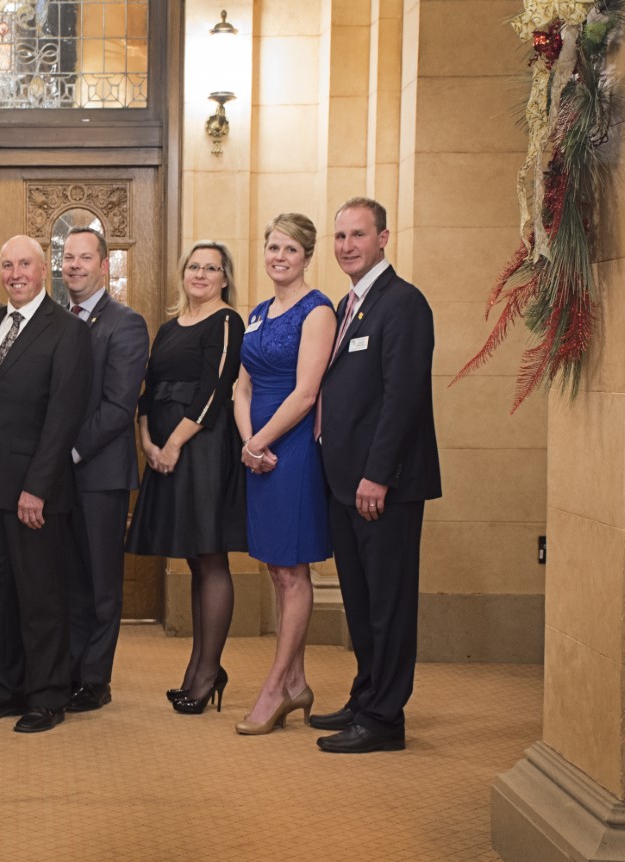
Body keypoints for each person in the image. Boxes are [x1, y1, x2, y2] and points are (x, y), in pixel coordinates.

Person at [0, 234, 92, 734]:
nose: (14, 274)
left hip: (37, 495)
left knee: (41, 599)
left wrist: (38, 487)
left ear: (43, 268)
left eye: (24, 264)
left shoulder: (66, 331)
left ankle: (47, 696)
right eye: (7, 265)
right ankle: (3, 690)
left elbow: (63, 417)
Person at [311, 197, 440, 754]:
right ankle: (366, 696)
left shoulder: (403, 303)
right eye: (340, 237)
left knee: (387, 602)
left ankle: (386, 718)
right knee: (360, 601)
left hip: (382, 485)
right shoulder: (349, 304)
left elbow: (403, 398)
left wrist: (378, 476)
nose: (347, 246)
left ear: (383, 238)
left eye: (358, 235)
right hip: (345, 482)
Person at [126, 241, 246, 716]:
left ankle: (207, 671)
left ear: (224, 277)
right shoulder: (169, 326)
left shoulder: (227, 321)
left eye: (210, 267)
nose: (200, 274)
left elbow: (216, 390)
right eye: (193, 266)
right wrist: (148, 443)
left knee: (212, 557)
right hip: (163, 450)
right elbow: (148, 391)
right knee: (195, 560)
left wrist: (173, 444)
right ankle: (199, 668)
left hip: (204, 449)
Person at [232, 213, 335, 735]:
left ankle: (275, 688)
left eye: (290, 250)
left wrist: (262, 441)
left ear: (307, 257)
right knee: (276, 569)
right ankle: (297, 683)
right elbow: (240, 387)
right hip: (259, 450)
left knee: (293, 572)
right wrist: (248, 441)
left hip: (291, 451)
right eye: (272, 247)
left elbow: (306, 393)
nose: (279, 257)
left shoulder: (318, 312)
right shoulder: (257, 313)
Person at [61, 228, 148, 713]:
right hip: (60, 478)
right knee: (69, 579)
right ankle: (71, 671)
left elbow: (118, 408)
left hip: (100, 475)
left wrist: (67, 451)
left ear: (103, 265)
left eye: (84, 257)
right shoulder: (57, 320)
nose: (74, 265)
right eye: (67, 257)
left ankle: (95, 680)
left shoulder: (126, 324)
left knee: (100, 584)